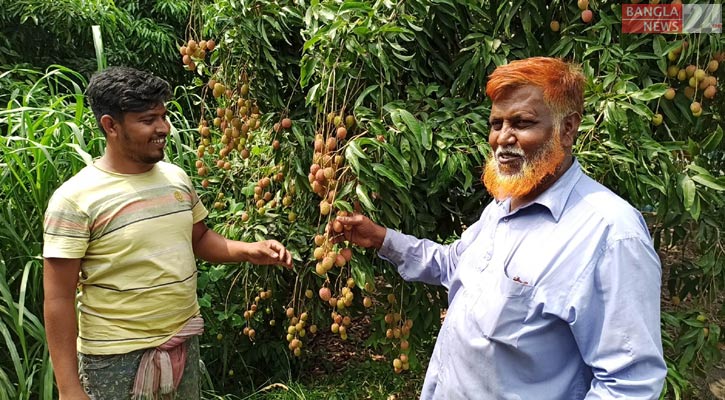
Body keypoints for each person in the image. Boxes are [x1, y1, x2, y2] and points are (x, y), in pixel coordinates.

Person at [334, 57, 667, 399]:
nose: (502, 139)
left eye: (522, 123)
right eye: (496, 123)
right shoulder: (506, 202)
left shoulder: (610, 234)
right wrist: (381, 239)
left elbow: (630, 385)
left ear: (567, 129)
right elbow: (454, 265)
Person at [43, 66, 293, 400]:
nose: (163, 128)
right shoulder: (75, 199)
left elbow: (200, 240)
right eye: (148, 120)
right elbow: (58, 298)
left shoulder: (176, 179)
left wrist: (249, 250)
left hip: (182, 342)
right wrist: (69, 388)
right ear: (110, 125)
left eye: (163, 116)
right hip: (115, 360)